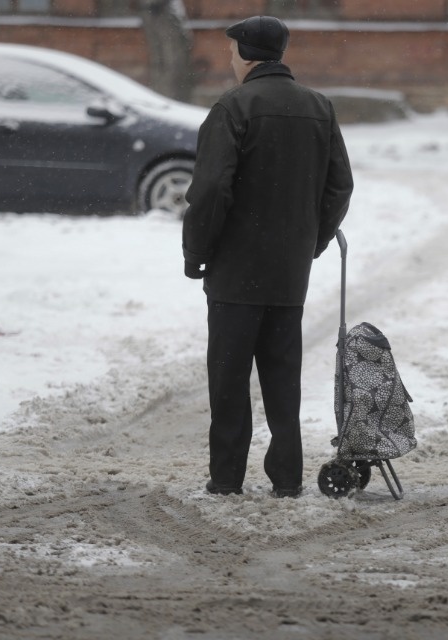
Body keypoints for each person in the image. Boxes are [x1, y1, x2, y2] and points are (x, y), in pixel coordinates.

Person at [181, 15, 353, 498]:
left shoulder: (232, 107)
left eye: (232, 51)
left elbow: (212, 188)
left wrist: (197, 249)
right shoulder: (319, 108)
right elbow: (340, 185)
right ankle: (287, 477)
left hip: (235, 270)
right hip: (288, 271)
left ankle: (227, 477)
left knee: (229, 378)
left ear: (246, 54)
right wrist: (312, 240)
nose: (230, 59)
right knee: (283, 378)